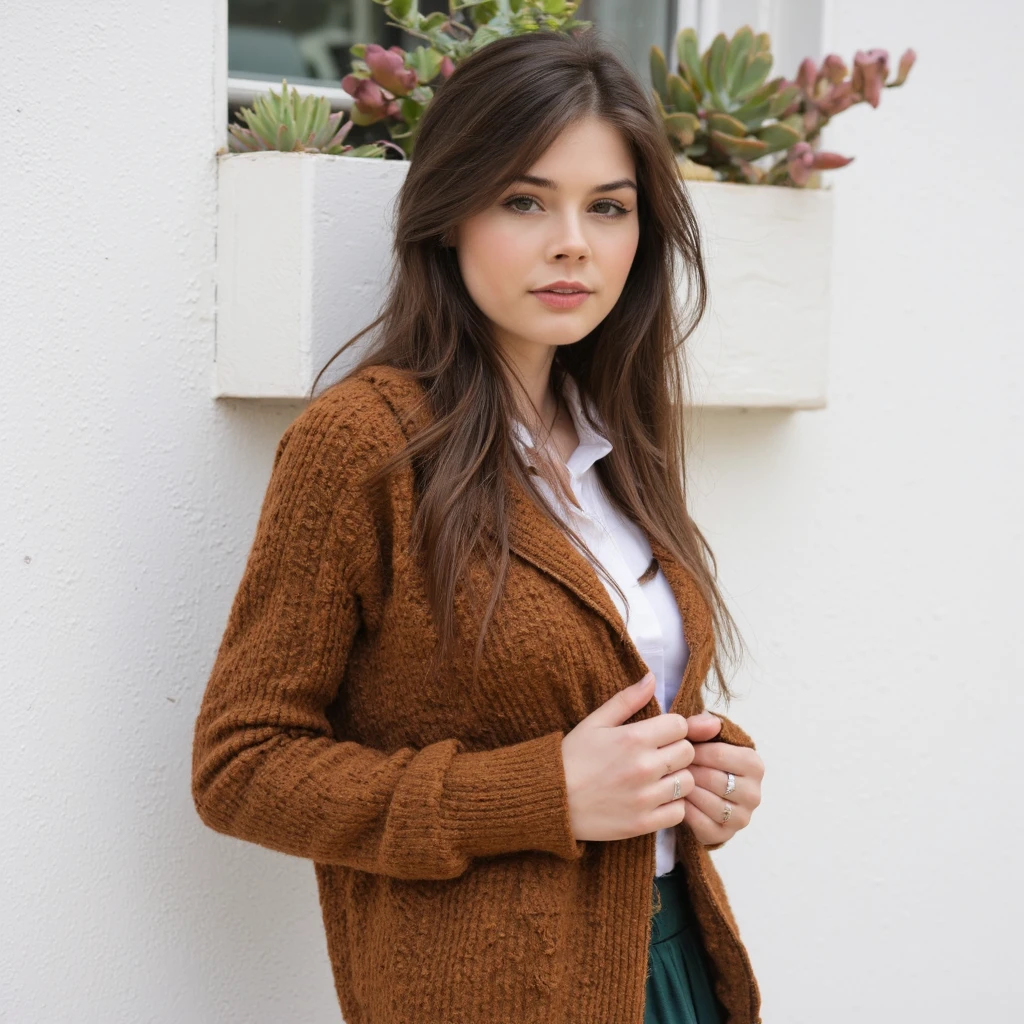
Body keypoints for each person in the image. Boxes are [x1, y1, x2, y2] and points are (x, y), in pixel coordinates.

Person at [191, 27, 765, 1024]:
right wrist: (536, 792)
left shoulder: (615, 441)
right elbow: (242, 765)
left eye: (609, 208)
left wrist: (704, 769)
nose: (572, 243)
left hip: (670, 960)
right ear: (449, 216)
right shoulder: (363, 446)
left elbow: (600, 692)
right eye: (524, 200)